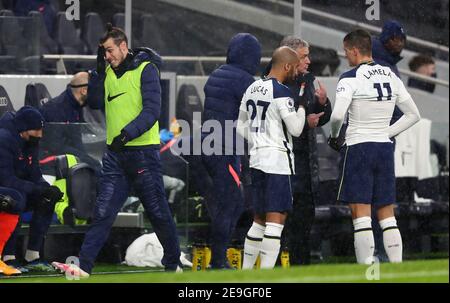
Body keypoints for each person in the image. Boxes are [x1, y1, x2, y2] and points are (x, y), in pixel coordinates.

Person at [51, 24, 182, 277]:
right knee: (103, 213)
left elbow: (152, 112)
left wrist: (127, 134)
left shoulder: (147, 70)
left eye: (110, 51)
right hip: (115, 156)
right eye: (103, 53)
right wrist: (98, 73)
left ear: (123, 46)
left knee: (157, 212)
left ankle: (172, 263)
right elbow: (96, 102)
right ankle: (84, 267)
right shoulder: (107, 72)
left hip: (142, 153)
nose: (107, 56)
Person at [328, 29, 421, 264]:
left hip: (359, 147)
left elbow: (338, 114)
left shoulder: (350, 77)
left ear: (354, 50)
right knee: (387, 214)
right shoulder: (391, 75)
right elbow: (413, 115)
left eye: (346, 51)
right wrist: (386, 133)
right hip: (383, 149)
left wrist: (334, 136)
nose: (345, 56)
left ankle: (367, 270)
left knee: (361, 216)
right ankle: (397, 267)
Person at [237, 46, 306, 269]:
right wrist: (303, 107)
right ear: (286, 66)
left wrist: (259, 140)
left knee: (259, 220)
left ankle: (245, 274)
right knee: (276, 221)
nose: (296, 72)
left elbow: (240, 126)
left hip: (257, 160)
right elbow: (296, 129)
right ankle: (267, 277)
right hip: (277, 162)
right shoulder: (282, 92)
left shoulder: (252, 88)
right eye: (295, 67)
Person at [201, 33, 261, 269]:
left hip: (208, 144)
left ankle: (217, 256)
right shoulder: (245, 81)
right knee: (232, 203)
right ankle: (218, 261)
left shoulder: (216, 74)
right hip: (226, 147)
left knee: (225, 203)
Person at [275, 36, 332, 265]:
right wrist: (300, 122)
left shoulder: (309, 80)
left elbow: (322, 119)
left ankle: (301, 269)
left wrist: (323, 103)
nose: (309, 60)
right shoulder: (273, 82)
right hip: (280, 162)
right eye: (304, 56)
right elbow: (269, 122)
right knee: (278, 223)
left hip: (305, 164)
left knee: (304, 222)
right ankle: (275, 270)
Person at [0, 106, 63, 275]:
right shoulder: (3, 139)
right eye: (36, 130)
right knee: (16, 198)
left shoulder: (30, 142)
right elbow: (5, 179)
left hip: (15, 187)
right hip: (4, 189)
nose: (40, 135)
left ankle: (32, 256)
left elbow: (34, 173)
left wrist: (47, 189)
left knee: (47, 198)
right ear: (23, 128)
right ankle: (8, 257)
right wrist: (36, 189)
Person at [39, 71, 102, 173]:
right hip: (50, 161)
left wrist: (86, 158)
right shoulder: (57, 108)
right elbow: (56, 146)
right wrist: (87, 159)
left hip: (67, 154)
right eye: (94, 90)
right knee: (96, 167)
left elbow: (76, 141)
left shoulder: (77, 106)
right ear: (84, 91)